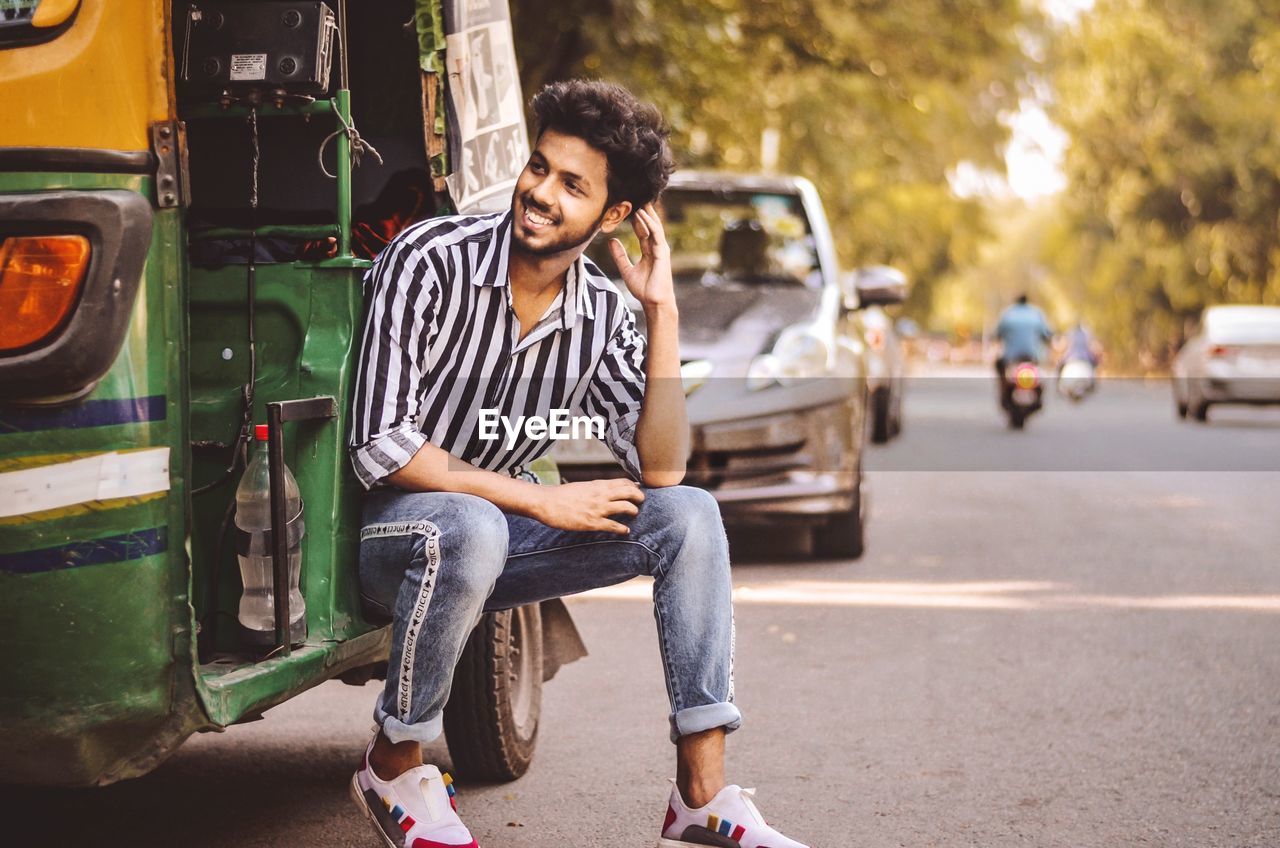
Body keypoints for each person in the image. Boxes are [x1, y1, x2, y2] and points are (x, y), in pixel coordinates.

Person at [347, 80, 809, 848]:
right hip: (392, 539)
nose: (538, 193)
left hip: (496, 539)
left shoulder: (599, 312)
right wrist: (536, 502)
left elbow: (660, 469)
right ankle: (395, 766)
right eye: (539, 168)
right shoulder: (428, 260)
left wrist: (660, 310)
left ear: (616, 216)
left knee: (690, 516)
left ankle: (701, 794)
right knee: (472, 525)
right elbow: (381, 444)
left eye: (572, 185)